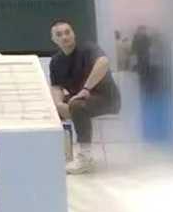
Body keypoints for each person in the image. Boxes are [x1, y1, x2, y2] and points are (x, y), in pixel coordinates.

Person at [49, 20, 121, 174]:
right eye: (59, 34)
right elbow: (56, 87)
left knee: (77, 105)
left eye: (67, 32)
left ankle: (85, 157)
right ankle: (64, 155)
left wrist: (86, 88)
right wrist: (58, 104)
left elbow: (103, 62)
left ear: (73, 34)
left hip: (106, 98)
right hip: (80, 99)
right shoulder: (55, 61)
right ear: (54, 39)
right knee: (51, 108)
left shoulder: (87, 48)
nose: (64, 37)